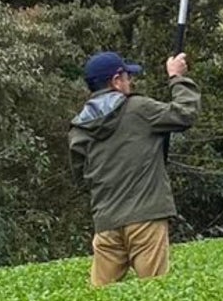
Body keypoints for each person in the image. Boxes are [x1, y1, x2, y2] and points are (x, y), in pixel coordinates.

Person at [69, 50, 199, 286]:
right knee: (153, 294)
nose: (131, 82)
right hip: (146, 217)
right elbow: (185, 113)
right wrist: (176, 78)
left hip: (106, 222)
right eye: (127, 77)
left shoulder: (80, 126)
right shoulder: (139, 109)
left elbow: (80, 177)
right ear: (116, 80)